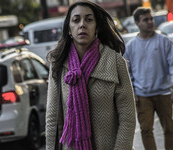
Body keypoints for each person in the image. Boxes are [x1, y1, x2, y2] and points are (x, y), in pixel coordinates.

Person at [46, 1, 136, 149]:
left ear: (97, 27)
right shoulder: (59, 64)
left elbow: (127, 117)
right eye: (76, 20)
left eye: (88, 19)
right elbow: (52, 119)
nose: (82, 25)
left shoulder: (114, 61)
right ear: (69, 28)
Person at [124, 7, 173, 150]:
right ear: (137, 23)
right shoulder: (131, 46)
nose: (150, 22)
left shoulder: (165, 42)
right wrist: (132, 93)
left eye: (151, 19)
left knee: (170, 129)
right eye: (145, 20)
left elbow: (172, 66)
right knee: (146, 131)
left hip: (164, 93)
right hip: (143, 96)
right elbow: (127, 73)